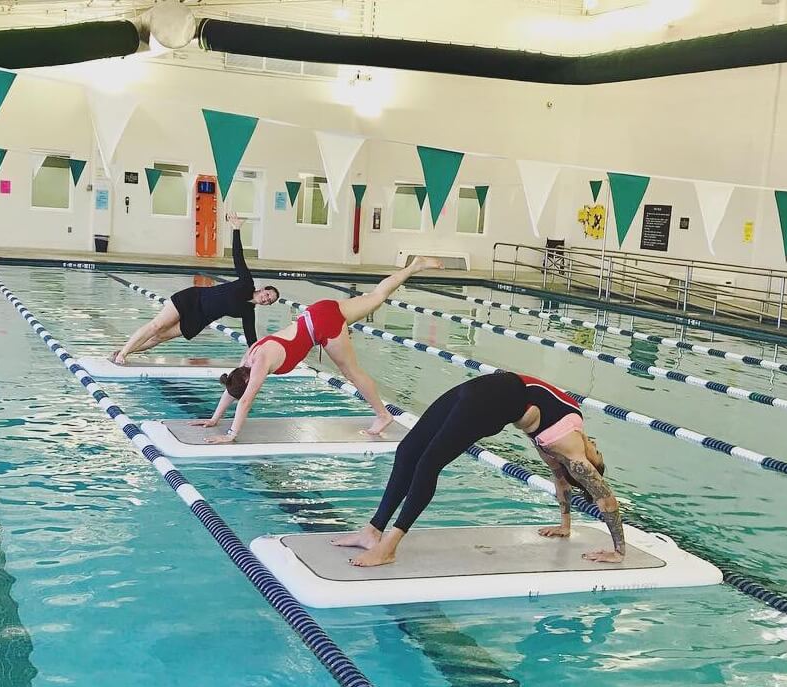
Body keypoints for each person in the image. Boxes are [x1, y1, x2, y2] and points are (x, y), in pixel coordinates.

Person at [332, 371, 624, 567]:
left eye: (596, 453)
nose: (595, 445)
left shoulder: (573, 453)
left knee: (429, 463)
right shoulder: (558, 452)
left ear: (590, 465)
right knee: (407, 450)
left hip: (490, 402)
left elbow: (607, 500)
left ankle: (390, 546)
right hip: (483, 388)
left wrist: (618, 551)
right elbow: (562, 484)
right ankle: (373, 531)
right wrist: (565, 525)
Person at [192, 256, 443, 441]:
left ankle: (383, 415)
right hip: (317, 310)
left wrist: (231, 434)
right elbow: (233, 388)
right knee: (376, 296)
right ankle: (414, 266)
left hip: (323, 328)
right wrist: (215, 418)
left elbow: (246, 399)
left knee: (352, 372)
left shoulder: (260, 363)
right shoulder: (249, 356)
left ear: (247, 378)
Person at [110, 213, 279, 364]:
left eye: (269, 300)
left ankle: (122, 352)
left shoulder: (248, 312)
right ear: (263, 289)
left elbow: (251, 339)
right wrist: (236, 229)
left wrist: (260, 358)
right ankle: (123, 353)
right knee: (156, 326)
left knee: (159, 338)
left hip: (198, 320)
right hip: (192, 299)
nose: (266, 299)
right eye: (268, 294)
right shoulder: (247, 283)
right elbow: (238, 257)